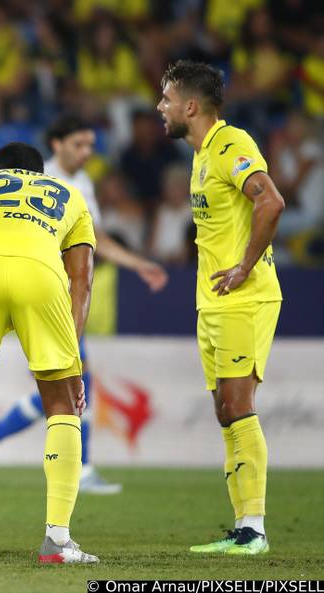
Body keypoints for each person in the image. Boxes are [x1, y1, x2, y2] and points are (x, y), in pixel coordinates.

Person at [0, 114, 169, 494]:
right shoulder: (38, 178)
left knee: (71, 382)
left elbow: (94, 237)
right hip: (42, 290)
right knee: (72, 380)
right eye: (78, 144)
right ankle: (73, 467)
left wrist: (137, 264)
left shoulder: (81, 182)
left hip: (62, 292)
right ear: (57, 144)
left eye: (90, 146)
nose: (86, 153)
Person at [0, 142, 99, 564]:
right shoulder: (70, 194)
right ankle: (58, 540)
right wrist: (71, 357)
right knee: (63, 405)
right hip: (39, 274)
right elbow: (81, 279)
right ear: (40, 174)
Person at [158, 60, 284, 556]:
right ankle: (242, 526)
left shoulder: (231, 144)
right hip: (213, 301)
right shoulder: (202, 155)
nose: (160, 107)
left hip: (242, 298)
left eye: (167, 99)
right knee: (225, 410)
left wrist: (244, 267)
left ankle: (254, 529)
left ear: (190, 106)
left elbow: (271, 201)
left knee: (238, 405)